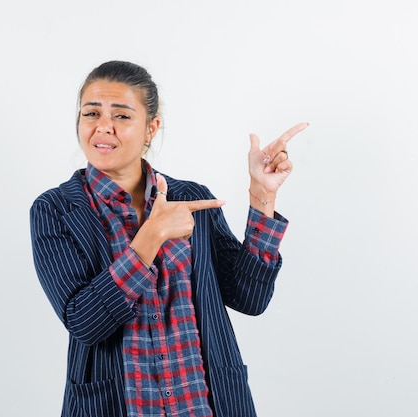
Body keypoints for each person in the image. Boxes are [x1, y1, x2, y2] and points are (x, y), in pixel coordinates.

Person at [30, 60, 308, 417]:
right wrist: (151, 236)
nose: (103, 127)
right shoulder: (55, 209)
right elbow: (84, 322)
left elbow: (249, 297)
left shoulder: (190, 197)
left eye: (122, 116)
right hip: (115, 405)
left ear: (151, 128)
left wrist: (262, 197)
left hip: (207, 405)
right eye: (91, 113)